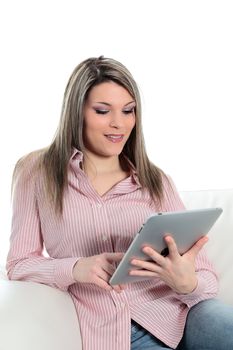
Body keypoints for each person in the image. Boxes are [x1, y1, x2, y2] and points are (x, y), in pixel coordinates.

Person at [6, 56, 233, 350]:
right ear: (77, 113)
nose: (119, 124)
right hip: (115, 332)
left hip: (182, 314)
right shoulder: (36, 172)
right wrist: (75, 268)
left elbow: (205, 276)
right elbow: (19, 264)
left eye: (128, 111)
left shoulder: (156, 180)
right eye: (103, 111)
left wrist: (188, 283)